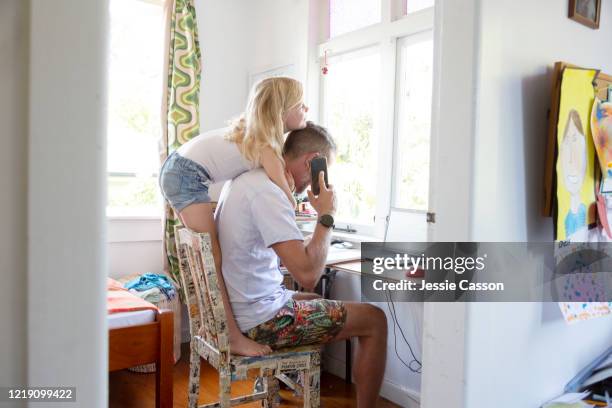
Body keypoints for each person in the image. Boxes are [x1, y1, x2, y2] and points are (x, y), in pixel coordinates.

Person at [216, 122, 388, 408]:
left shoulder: (247, 180)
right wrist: (326, 215)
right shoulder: (268, 193)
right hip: (259, 321)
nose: (311, 184)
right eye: (319, 171)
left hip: (240, 308)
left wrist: (313, 235)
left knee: (313, 299)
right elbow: (308, 274)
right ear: (312, 162)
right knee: (374, 320)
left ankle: (279, 379)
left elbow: (293, 258)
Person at [159, 77, 308, 356]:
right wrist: (300, 203)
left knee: (208, 257)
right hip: (185, 175)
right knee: (211, 257)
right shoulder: (266, 146)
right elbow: (286, 195)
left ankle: (211, 326)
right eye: (300, 104)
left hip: (179, 169)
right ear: (282, 110)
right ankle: (230, 336)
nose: (306, 109)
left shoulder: (253, 135)